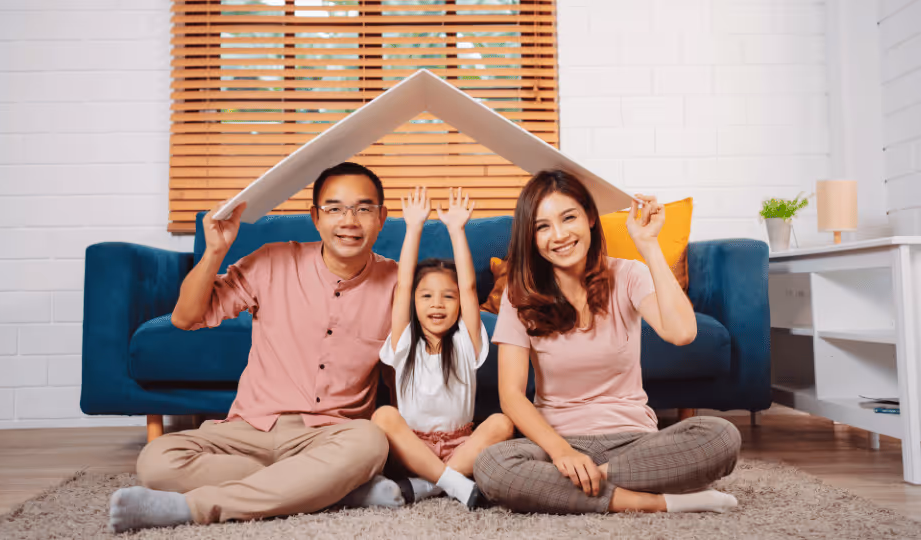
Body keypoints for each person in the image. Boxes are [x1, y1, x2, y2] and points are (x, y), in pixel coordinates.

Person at [109, 162, 406, 534]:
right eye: (335, 208)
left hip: (332, 434)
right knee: (156, 460)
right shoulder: (273, 260)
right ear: (315, 217)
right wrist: (214, 252)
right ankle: (332, 488)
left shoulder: (399, 283)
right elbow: (186, 318)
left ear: (382, 217)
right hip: (249, 429)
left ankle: (197, 507)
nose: (349, 221)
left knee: (370, 444)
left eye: (363, 208)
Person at [473, 169, 742, 515]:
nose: (559, 235)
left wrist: (648, 245)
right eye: (543, 226)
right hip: (557, 442)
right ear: (531, 237)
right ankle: (654, 501)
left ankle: (579, 487)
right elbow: (511, 395)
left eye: (568, 218)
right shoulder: (519, 294)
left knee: (722, 436)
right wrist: (562, 452)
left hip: (632, 440)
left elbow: (682, 333)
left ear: (589, 217)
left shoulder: (628, 275)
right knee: (492, 465)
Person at [371, 187, 515, 509]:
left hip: (461, 446)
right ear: (413, 302)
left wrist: (457, 229)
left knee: (502, 423)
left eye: (448, 297)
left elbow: (469, 286)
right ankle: (453, 482)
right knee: (383, 416)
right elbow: (403, 284)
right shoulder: (404, 340)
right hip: (413, 449)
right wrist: (413, 228)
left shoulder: (466, 340)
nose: (437, 304)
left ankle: (429, 485)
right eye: (426, 296)